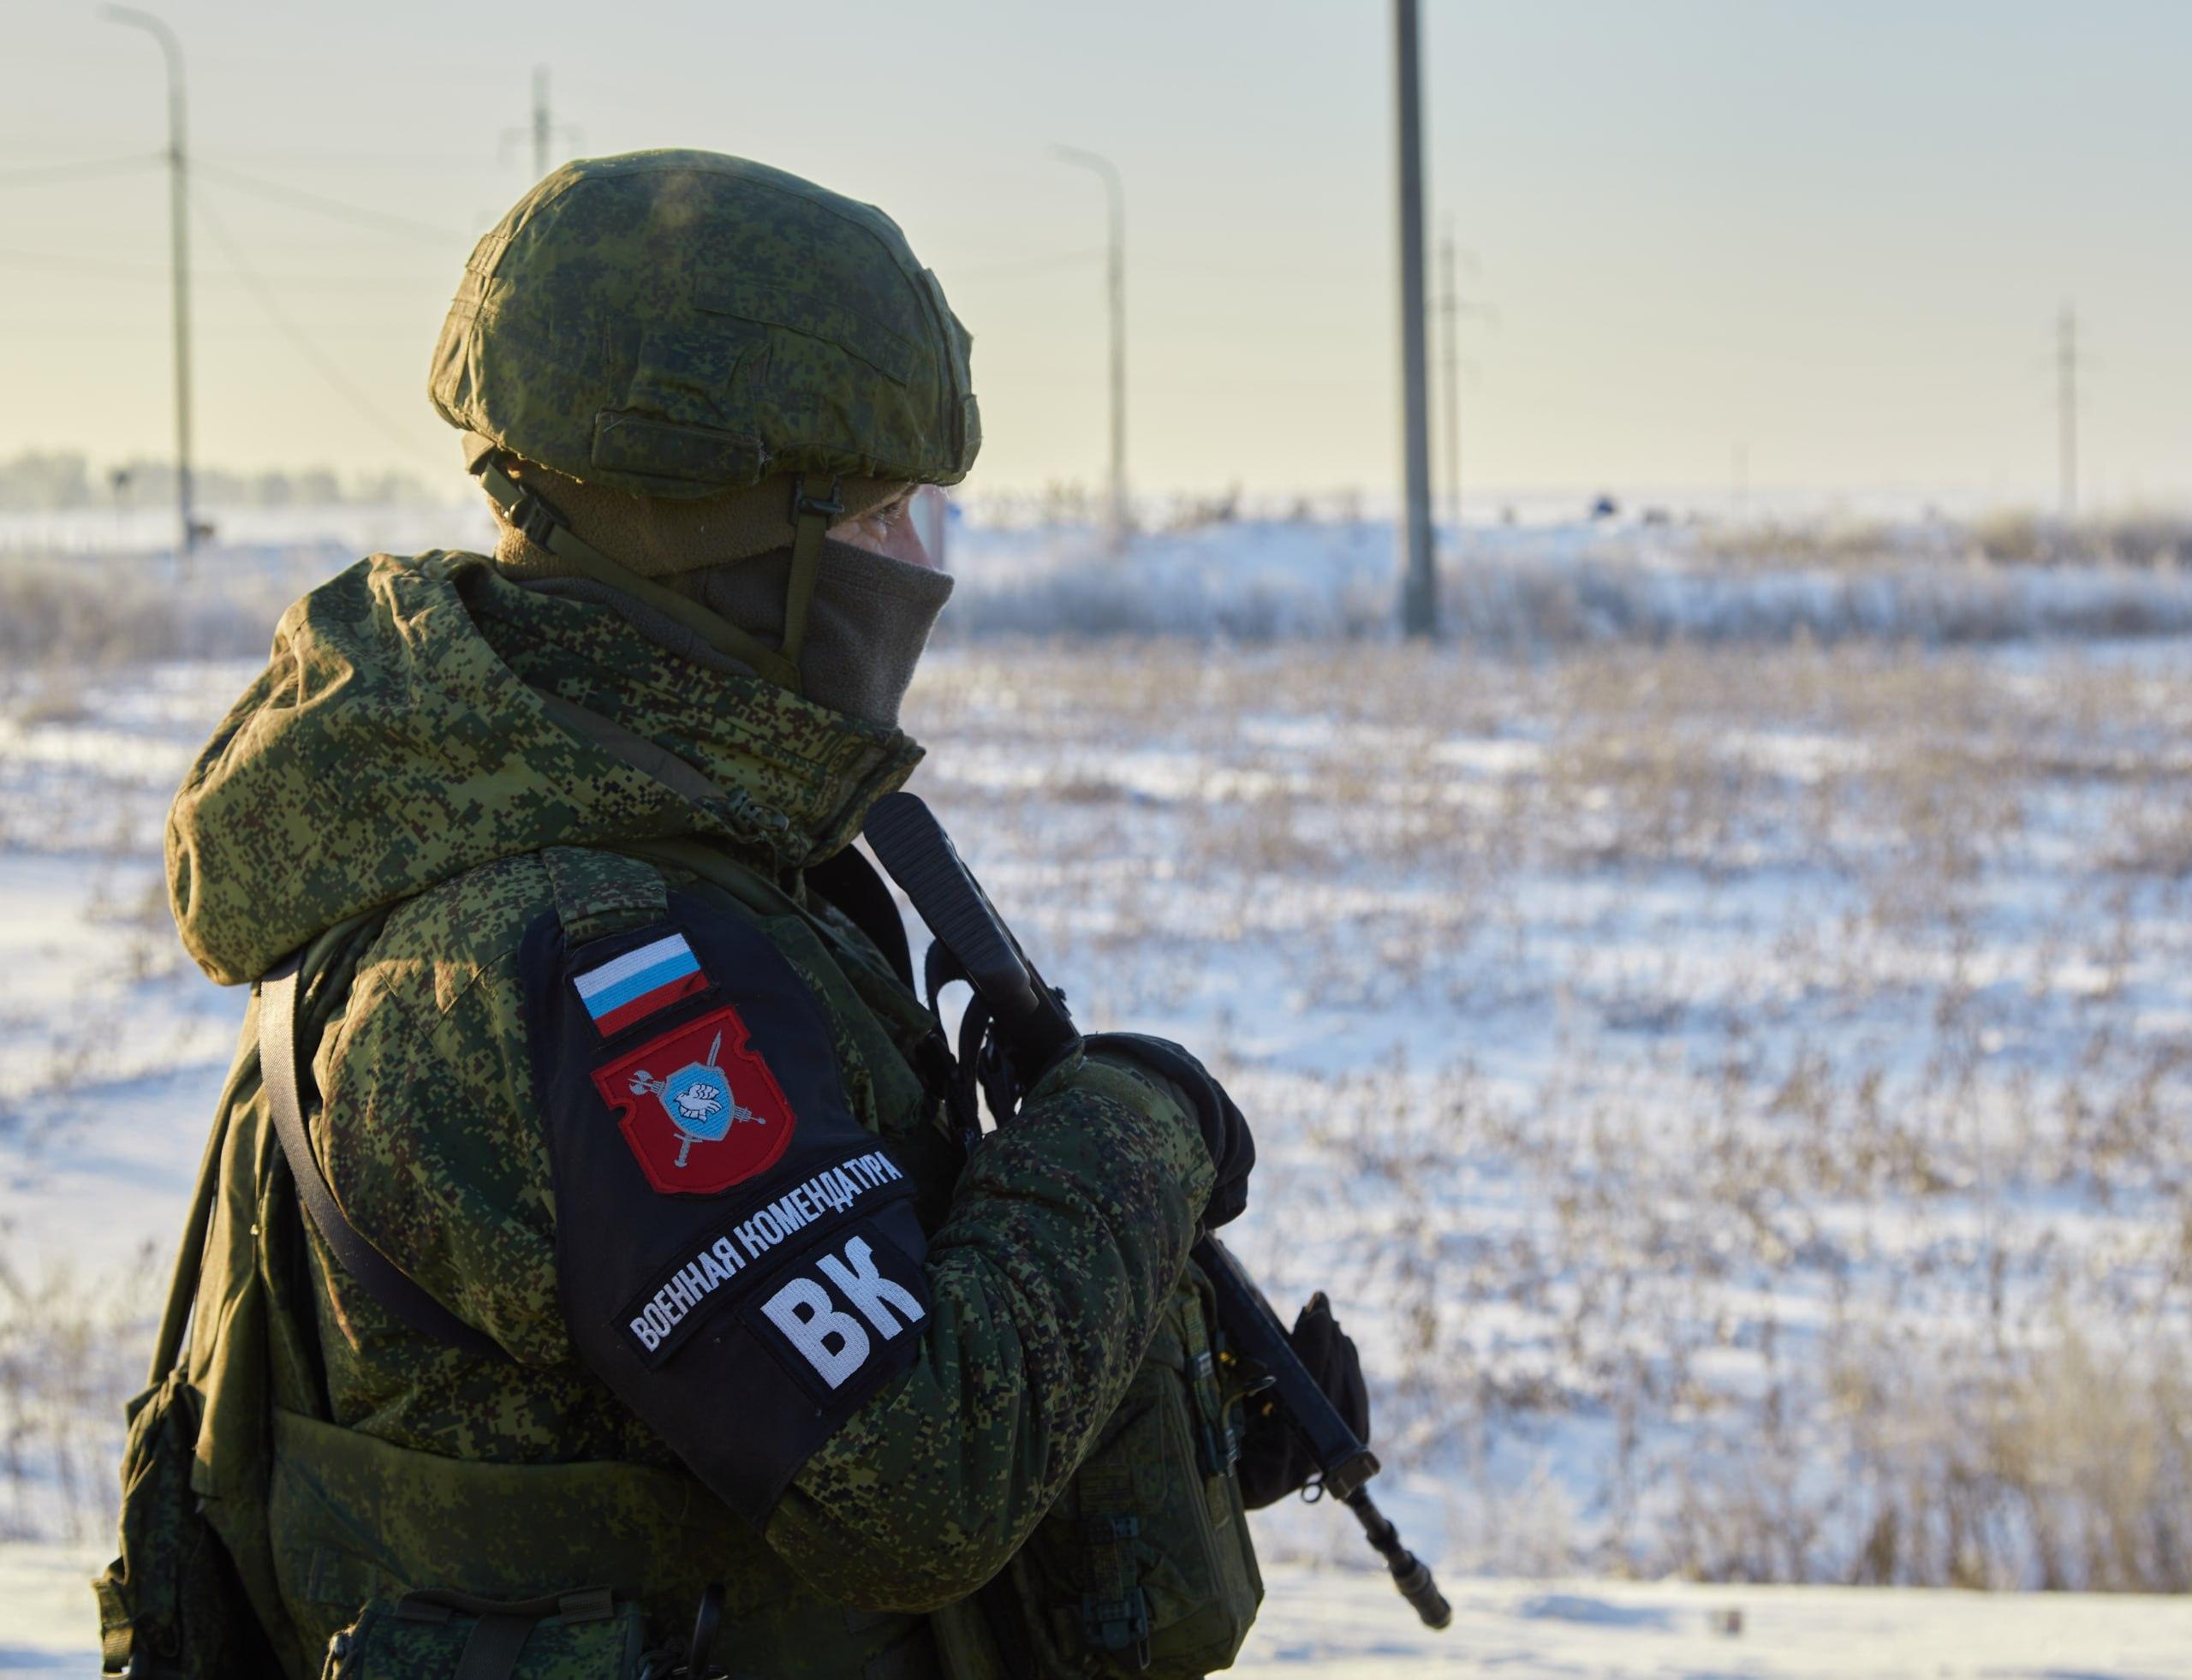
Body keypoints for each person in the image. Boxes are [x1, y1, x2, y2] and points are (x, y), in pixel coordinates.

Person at [98, 149, 1360, 1680]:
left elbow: (692, 1423)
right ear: (741, 549)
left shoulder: (623, 830)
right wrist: (1134, 1135)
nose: (922, 566)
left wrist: (1174, 1416)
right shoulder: (593, 957)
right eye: (889, 512)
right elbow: (905, 1480)